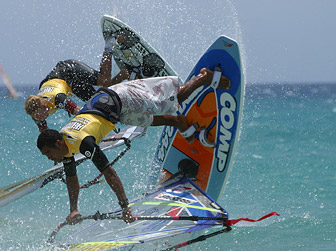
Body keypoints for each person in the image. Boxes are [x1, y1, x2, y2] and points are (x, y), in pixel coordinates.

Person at [36, 67, 230, 224]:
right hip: (109, 109)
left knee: (172, 99)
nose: (48, 158)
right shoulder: (65, 148)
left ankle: (204, 77)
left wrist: (125, 207)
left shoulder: (83, 142)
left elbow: (109, 173)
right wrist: (74, 210)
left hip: (119, 98)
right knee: (144, 119)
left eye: (48, 153)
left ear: (58, 143)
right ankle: (177, 121)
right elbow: (71, 179)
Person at [24, 34, 130, 132]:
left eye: (40, 115)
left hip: (69, 70)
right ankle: (125, 73)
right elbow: (44, 132)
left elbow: (79, 112)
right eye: (37, 117)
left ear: (43, 106)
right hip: (71, 85)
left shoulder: (57, 99)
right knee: (98, 101)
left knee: (104, 80)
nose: (40, 118)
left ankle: (109, 45)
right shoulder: (36, 113)